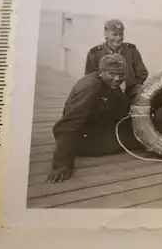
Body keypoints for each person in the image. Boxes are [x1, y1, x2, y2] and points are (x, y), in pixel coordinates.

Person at [47, 54, 142, 183]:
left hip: (98, 126)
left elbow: (122, 110)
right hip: (83, 138)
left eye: (121, 75)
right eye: (112, 74)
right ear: (101, 72)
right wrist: (61, 164)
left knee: (137, 129)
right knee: (138, 138)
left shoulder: (109, 84)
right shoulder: (91, 87)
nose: (117, 78)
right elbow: (68, 125)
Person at [84, 19, 149, 99]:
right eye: (114, 34)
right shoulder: (95, 53)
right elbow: (90, 77)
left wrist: (132, 85)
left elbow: (142, 74)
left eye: (121, 34)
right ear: (105, 34)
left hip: (129, 94)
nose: (118, 38)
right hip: (104, 95)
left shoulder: (131, 50)